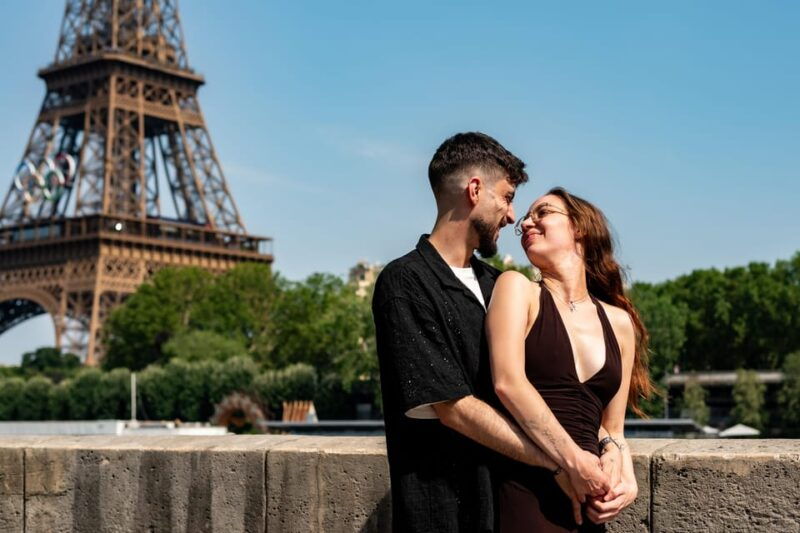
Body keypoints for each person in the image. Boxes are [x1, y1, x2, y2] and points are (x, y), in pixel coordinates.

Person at [372, 134, 609, 532]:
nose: (513, 216)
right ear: (475, 190)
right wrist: (560, 463)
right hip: (445, 517)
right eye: (507, 197)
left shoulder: (499, 285)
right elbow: (453, 407)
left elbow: (549, 392)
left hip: (510, 510)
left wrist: (609, 445)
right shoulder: (404, 282)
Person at [486, 187, 652, 531]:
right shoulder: (517, 288)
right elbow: (508, 384)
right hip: (528, 492)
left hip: (590, 501)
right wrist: (574, 463)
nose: (526, 223)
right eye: (525, 219)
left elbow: (614, 431)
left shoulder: (619, 323)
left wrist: (627, 478)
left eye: (543, 213)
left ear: (580, 228)